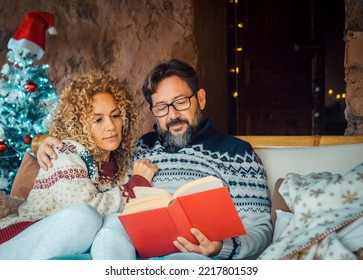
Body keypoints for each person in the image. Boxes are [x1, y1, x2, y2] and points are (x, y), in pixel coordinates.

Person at [36, 59, 272, 260]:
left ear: (200, 99)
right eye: (161, 107)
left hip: (191, 254)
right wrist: (45, 143)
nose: (173, 115)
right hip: (130, 249)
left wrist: (220, 248)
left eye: (181, 102)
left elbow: (260, 229)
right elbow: (92, 161)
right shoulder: (138, 148)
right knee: (111, 229)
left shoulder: (237, 154)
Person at [0, 73, 157, 259]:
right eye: (98, 119)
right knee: (85, 215)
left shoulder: (123, 165)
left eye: (115, 116)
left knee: (112, 225)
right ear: (79, 124)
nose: (111, 126)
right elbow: (89, 207)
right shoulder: (62, 152)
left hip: (66, 243)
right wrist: (135, 186)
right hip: (19, 238)